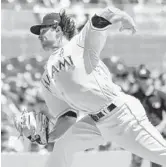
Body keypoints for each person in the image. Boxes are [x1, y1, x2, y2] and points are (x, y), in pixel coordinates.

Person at [18, 7, 166, 167]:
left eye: (43, 30)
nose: (39, 35)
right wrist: (50, 136)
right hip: (95, 122)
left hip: (122, 115)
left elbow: (99, 19)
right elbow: (68, 116)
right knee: (63, 146)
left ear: (58, 29)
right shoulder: (46, 77)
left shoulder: (79, 43)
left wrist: (122, 16)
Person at [129, 66, 166, 167]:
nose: (144, 81)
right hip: (139, 134)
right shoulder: (134, 96)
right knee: (136, 162)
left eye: (146, 78)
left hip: (157, 133)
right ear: (138, 80)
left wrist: (162, 125)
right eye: (141, 78)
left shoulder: (160, 95)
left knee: (157, 163)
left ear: (150, 79)